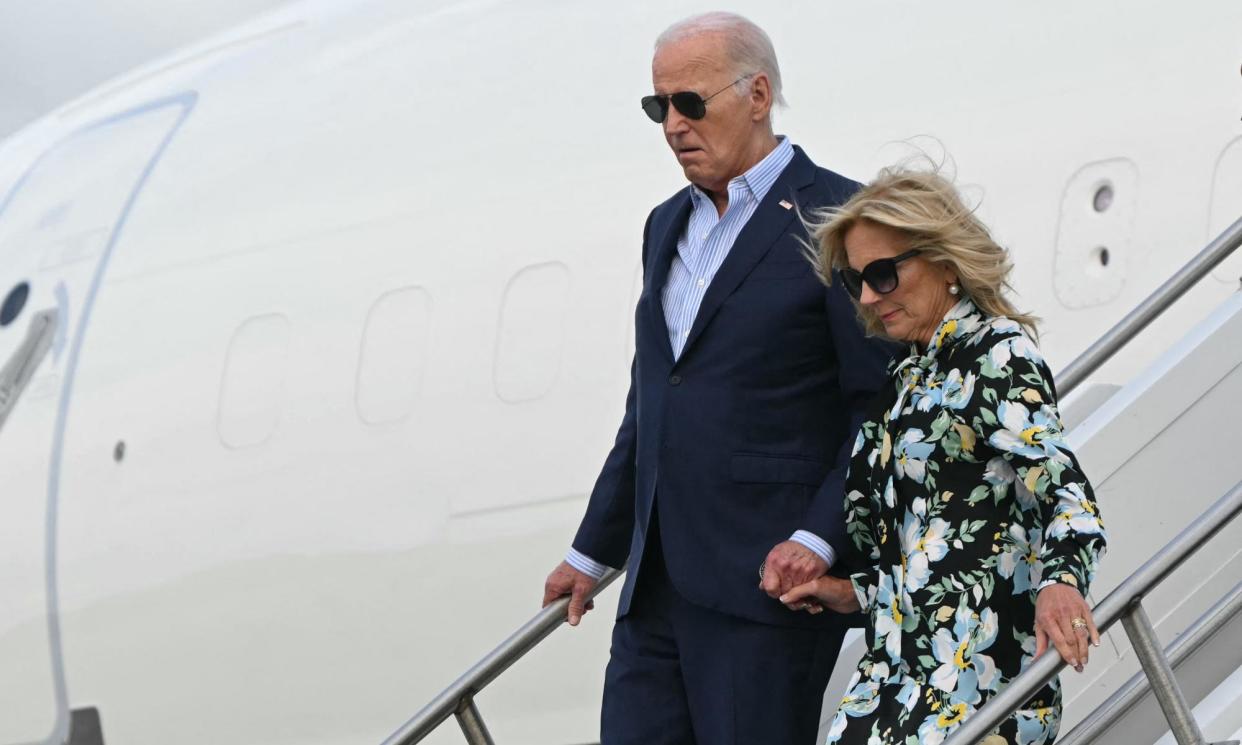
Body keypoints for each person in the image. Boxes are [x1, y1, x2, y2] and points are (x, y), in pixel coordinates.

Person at [540, 12, 897, 745]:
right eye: (658, 106)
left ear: (758, 94)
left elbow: (879, 404)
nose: (672, 124)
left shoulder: (842, 218)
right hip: (657, 586)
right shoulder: (664, 224)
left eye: (690, 102)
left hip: (766, 586)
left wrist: (820, 538)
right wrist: (591, 550)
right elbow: (654, 403)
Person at [782, 166, 1108, 745]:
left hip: (977, 683)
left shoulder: (997, 356)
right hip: (892, 681)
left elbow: (1069, 497)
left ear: (945, 260)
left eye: (882, 274)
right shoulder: (906, 378)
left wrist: (1062, 583)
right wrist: (853, 591)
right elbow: (944, 552)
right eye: (855, 280)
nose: (866, 297)